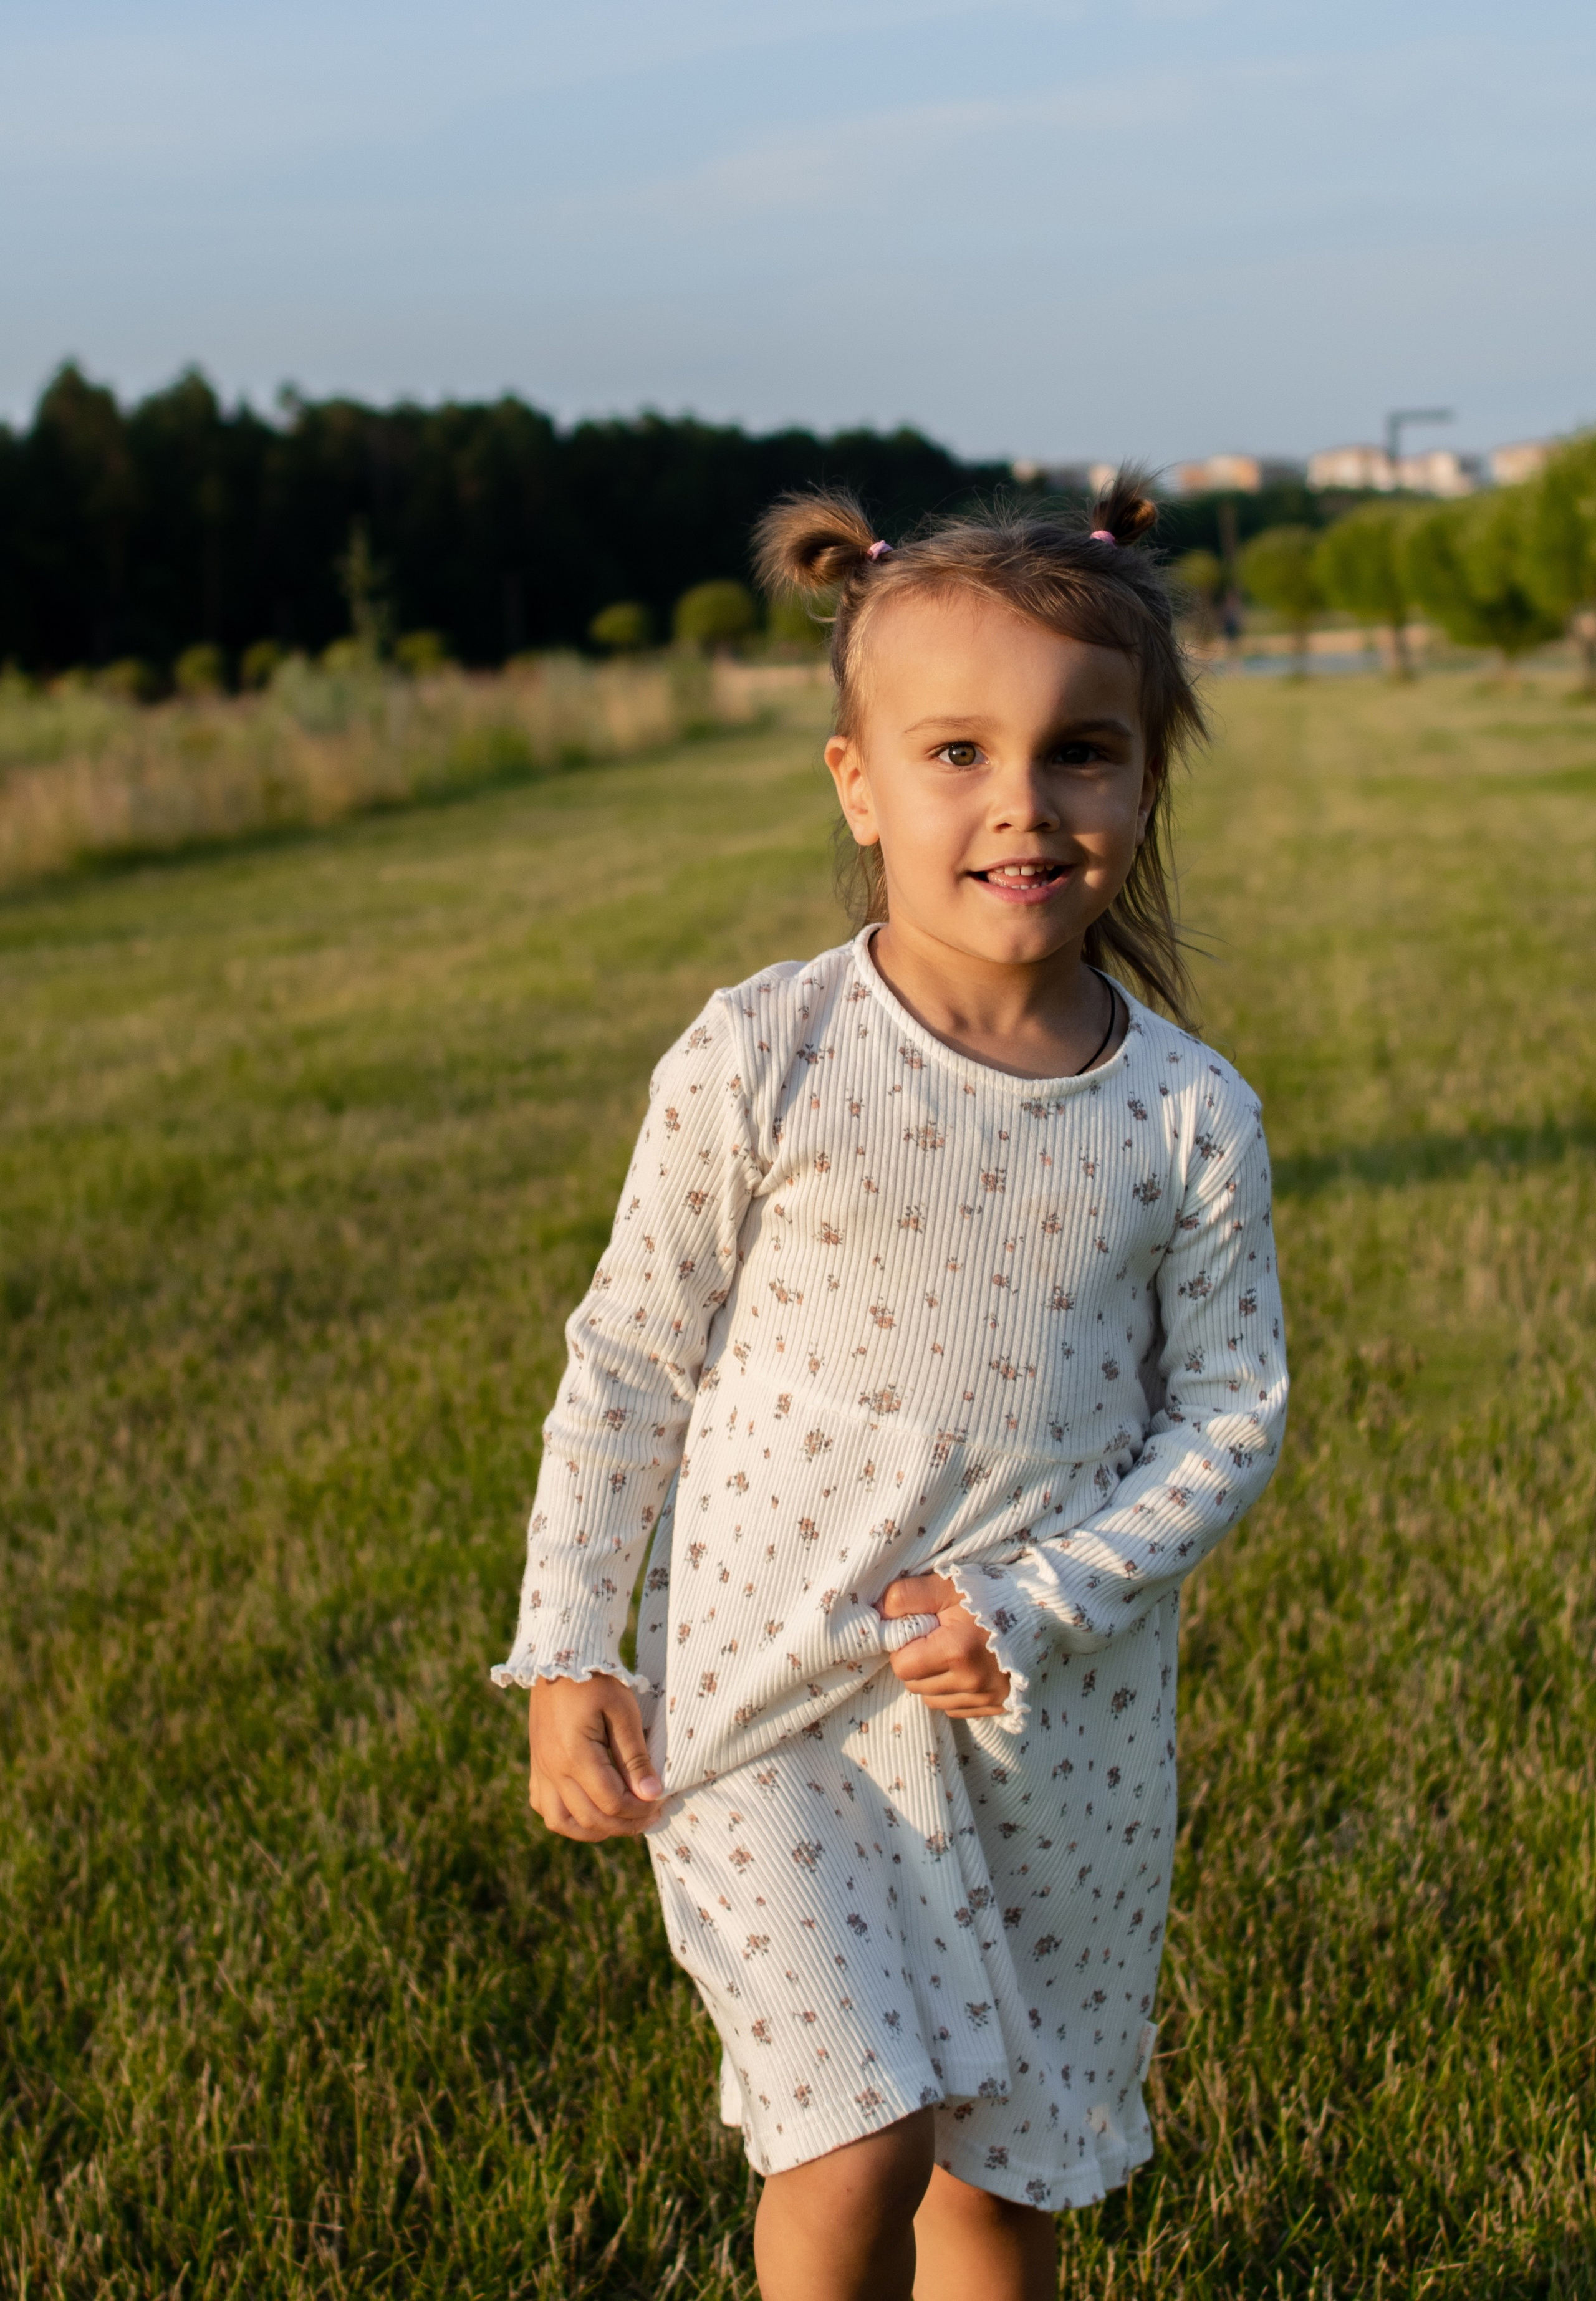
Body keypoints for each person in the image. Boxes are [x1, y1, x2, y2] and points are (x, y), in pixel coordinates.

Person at [493, 474, 1289, 2300]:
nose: (1022, 799)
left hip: (1044, 1740)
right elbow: (626, 1361)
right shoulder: (762, 1054)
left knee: (990, 2190)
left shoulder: (1182, 1113)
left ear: (1145, 780)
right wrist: (565, 1651)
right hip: (773, 1705)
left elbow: (1232, 1414)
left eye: (1081, 750)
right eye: (954, 750)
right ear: (858, 781)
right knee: (855, 2126)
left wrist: (1034, 1597)